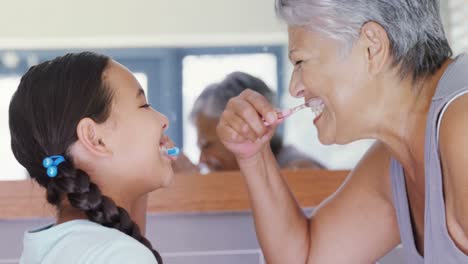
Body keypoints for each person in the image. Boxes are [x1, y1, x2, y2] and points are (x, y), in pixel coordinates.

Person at [216, 0, 468, 263]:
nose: (295, 88)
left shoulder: (463, 127)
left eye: (300, 61)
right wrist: (254, 156)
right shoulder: (400, 154)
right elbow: (307, 258)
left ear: (372, 47)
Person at [9, 52, 176, 263]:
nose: (163, 120)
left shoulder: (52, 246)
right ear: (95, 139)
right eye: (143, 105)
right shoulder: (121, 255)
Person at [175, 71, 324, 173]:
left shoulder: (299, 170)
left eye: (207, 145)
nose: (202, 159)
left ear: (247, 124)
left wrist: (197, 187)